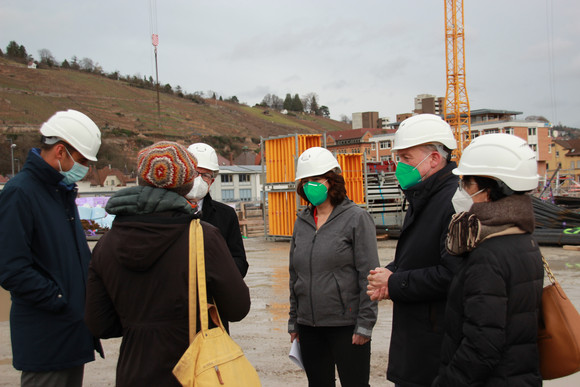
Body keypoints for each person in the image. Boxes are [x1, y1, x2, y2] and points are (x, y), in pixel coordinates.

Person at [84, 141, 251, 387]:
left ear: (141, 181)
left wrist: (140, 325)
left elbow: (98, 322)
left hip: (134, 372)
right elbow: (238, 308)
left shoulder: (105, 244)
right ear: (187, 183)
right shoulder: (203, 236)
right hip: (193, 371)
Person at [0, 109, 103, 387]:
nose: (85, 169)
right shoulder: (21, 193)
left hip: (70, 334)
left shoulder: (60, 193)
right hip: (46, 339)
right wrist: (61, 299)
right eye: (81, 161)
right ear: (60, 151)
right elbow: (12, 269)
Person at [433, 133, 543, 386]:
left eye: (466, 183)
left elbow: (482, 344)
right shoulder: (524, 239)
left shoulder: (487, 253)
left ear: (489, 188)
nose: (462, 191)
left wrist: (448, 382)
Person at [366, 113, 462, 386]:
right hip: (417, 344)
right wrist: (389, 273)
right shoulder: (423, 196)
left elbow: (453, 275)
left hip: (436, 351)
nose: (399, 166)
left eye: (407, 158)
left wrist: (395, 282)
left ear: (434, 159)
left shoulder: (453, 201)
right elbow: (419, 257)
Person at [288, 146, 379, 387]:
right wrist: (294, 321)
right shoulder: (302, 221)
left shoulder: (356, 218)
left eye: (316, 179)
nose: (310, 185)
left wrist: (365, 324)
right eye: (306, 180)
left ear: (332, 180)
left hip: (346, 326)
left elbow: (369, 276)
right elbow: (294, 275)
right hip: (309, 327)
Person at [185, 143, 248, 278]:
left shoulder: (226, 215)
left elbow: (240, 262)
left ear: (212, 181)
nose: (198, 180)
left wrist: (214, 273)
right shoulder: (165, 212)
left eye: (205, 175)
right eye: (194, 173)